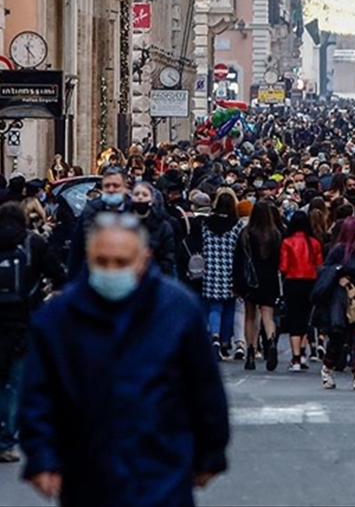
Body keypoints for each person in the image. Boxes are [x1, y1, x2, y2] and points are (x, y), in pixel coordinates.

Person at [19, 211, 230, 507]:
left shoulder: (178, 311)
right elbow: (38, 393)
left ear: (144, 258)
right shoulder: (58, 318)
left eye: (121, 262)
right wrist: (41, 457)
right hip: (87, 472)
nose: (111, 270)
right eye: (102, 262)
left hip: (162, 470)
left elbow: (204, 387)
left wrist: (210, 452)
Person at [0, 203, 66, 463]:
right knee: (18, 382)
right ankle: (7, 438)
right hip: (27, 320)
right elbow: (60, 277)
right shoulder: (33, 243)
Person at [311, 216, 355, 390]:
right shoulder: (338, 251)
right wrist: (338, 276)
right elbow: (325, 272)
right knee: (337, 338)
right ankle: (328, 369)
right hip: (341, 301)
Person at [234, 200, 284, 371]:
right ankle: (270, 342)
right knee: (267, 315)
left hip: (250, 279)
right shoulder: (276, 234)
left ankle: (250, 351)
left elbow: (238, 260)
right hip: (269, 278)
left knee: (250, 315)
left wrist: (236, 282)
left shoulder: (246, 234)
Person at [201, 190, 245, 359]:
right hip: (229, 270)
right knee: (229, 308)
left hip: (210, 269)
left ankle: (214, 336)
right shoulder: (237, 225)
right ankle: (226, 341)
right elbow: (239, 250)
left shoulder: (206, 223)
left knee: (214, 307)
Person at [278, 210, 323, 371]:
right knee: (306, 319)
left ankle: (295, 358)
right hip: (310, 281)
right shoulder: (314, 243)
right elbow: (319, 264)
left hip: (293, 281)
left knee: (294, 320)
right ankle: (303, 354)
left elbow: (283, 266)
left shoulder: (287, 242)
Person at [128, 181, 177, 277]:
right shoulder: (122, 223)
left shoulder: (163, 226)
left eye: (145, 194)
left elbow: (168, 256)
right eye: (136, 194)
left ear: (152, 199)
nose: (140, 197)